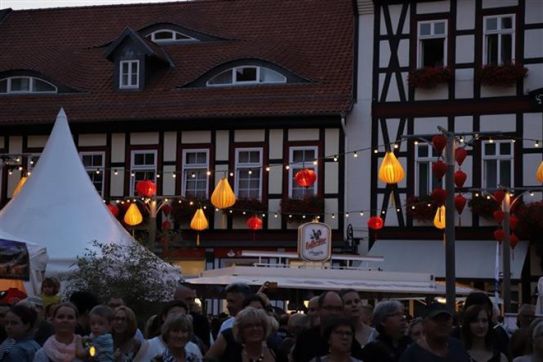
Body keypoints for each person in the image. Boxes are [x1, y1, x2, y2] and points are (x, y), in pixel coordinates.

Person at [292, 291, 364, 362]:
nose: (333, 312)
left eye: (338, 309)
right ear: (319, 309)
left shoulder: (351, 343)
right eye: (329, 308)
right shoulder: (305, 339)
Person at [400, 302, 470, 362]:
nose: (442, 323)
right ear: (424, 323)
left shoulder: (458, 346)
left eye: (446, 319)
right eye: (437, 319)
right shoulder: (412, 355)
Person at [134, 301, 202, 361]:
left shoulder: (194, 352)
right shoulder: (149, 347)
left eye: (184, 331)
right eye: (175, 331)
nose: (180, 335)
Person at [174, 285, 211, 350]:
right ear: (176, 299)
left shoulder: (201, 321)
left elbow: (205, 347)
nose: (192, 302)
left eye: (194, 299)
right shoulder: (162, 319)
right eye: (188, 299)